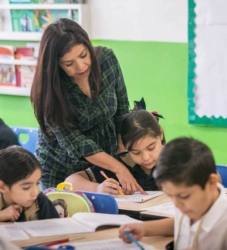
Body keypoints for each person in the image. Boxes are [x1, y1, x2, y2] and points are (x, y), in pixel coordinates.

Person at [30, 18, 143, 194]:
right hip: (61, 168)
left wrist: (121, 155)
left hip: (103, 165)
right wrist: (119, 168)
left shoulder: (106, 59)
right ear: (56, 66)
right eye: (69, 64)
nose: (81, 66)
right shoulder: (50, 92)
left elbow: (121, 109)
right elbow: (78, 144)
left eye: (83, 55)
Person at [119, 137, 227, 250]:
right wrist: (144, 228)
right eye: (170, 195)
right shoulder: (190, 205)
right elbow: (181, 224)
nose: (177, 204)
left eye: (183, 196)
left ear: (211, 183)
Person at [65, 109, 165, 194]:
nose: (146, 157)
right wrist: (98, 188)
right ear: (125, 146)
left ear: (160, 133)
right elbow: (69, 182)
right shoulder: (121, 164)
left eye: (151, 148)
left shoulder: (176, 160)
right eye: (136, 153)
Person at [0, 146, 59, 222]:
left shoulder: (42, 203)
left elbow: (57, 231)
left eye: (37, 183)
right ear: (2, 187)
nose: (35, 192)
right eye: (26, 187)